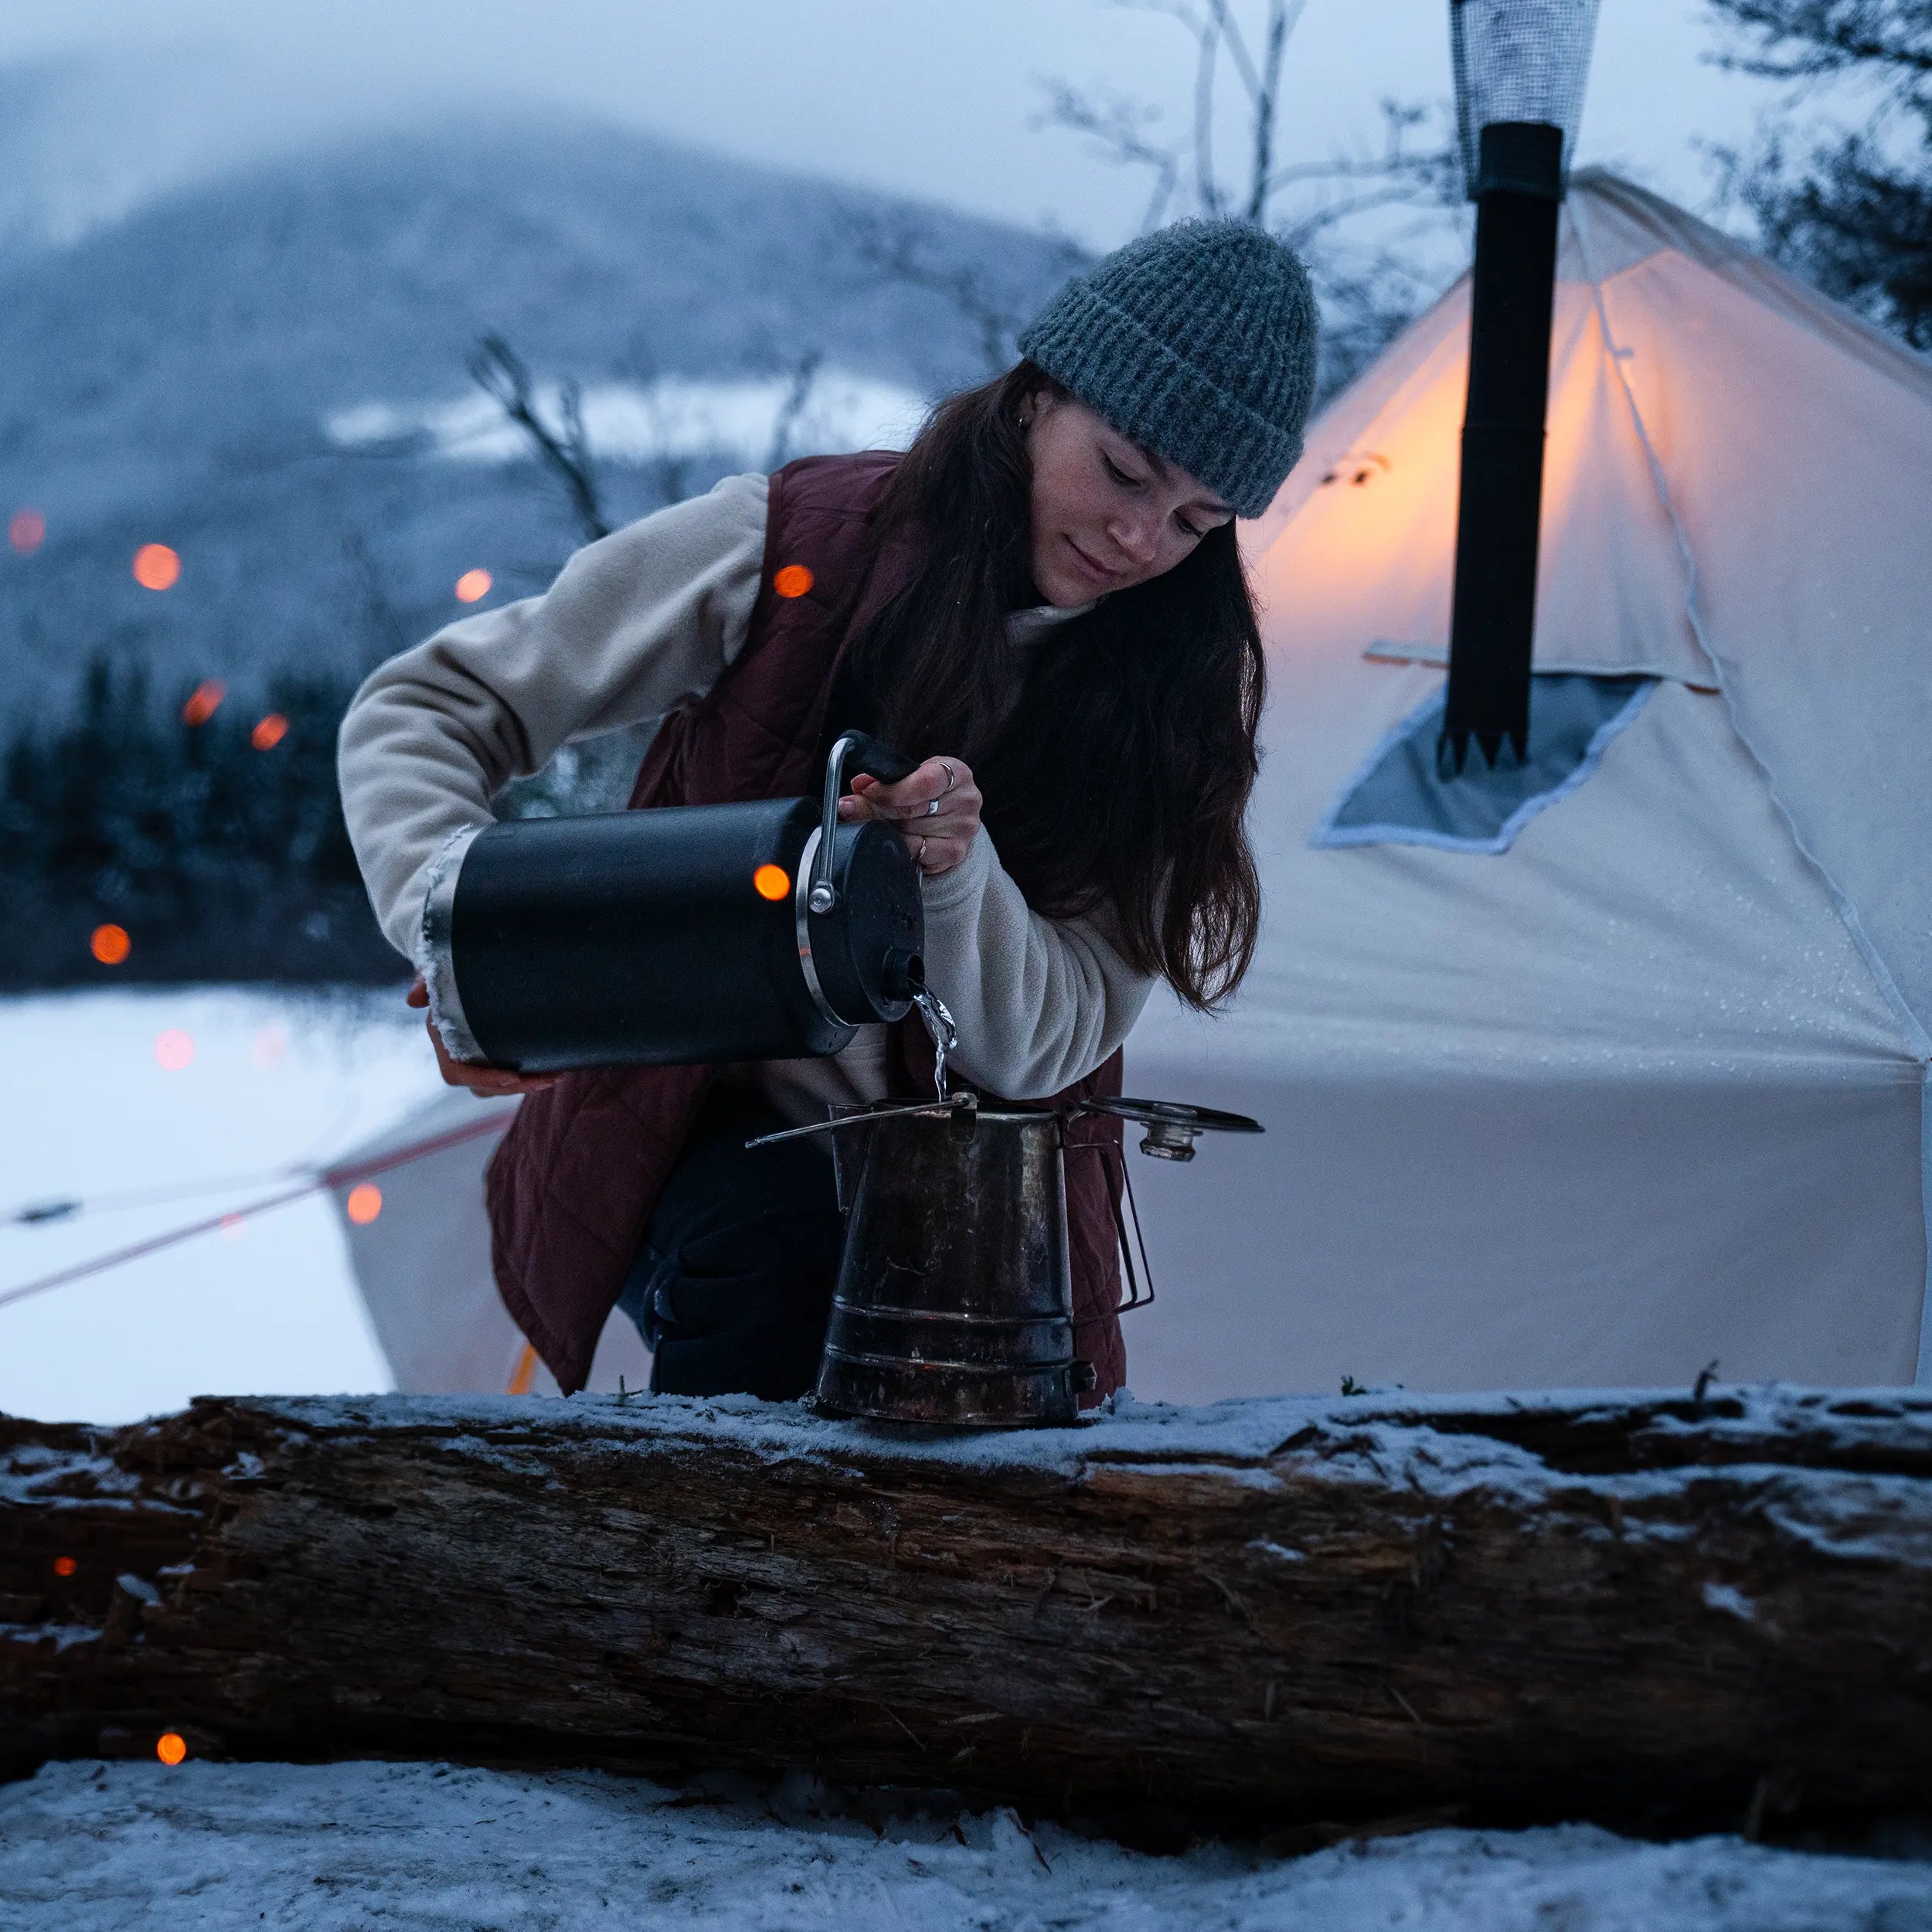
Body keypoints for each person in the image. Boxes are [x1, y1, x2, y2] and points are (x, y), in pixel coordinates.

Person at [338, 218, 1318, 1402]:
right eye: (1124, 473)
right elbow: (427, 706)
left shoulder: (1181, 698)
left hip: (985, 1230)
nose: (1139, 538)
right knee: (771, 1264)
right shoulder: (796, 546)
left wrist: (958, 875)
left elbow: (1054, 1042)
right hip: (699, 1160)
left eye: (1198, 521)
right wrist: (468, 943)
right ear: (1034, 394)